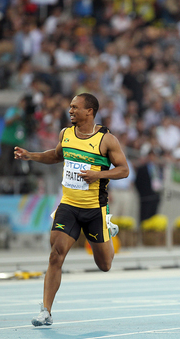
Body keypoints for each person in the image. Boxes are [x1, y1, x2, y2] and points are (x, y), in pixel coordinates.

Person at [14, 93, 129, 326]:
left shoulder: (106, 140)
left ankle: (107, 229)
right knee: (56, 254)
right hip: (68, 206)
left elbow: (124, 170)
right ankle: (45, 311)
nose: (70, 110)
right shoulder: (65, 134)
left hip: (95, 209)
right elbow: (56, 156)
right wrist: (30, 155)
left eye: (75, 107)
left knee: (104, 265)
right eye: (70, 107)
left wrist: (98, 174)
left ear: (90, 111)